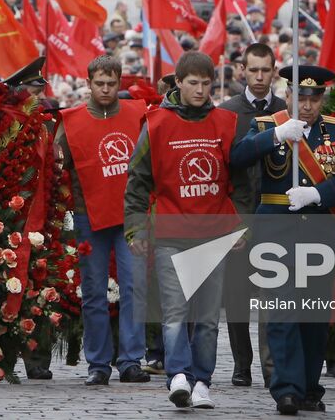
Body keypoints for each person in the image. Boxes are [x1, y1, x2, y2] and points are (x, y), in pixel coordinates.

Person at [124, 52, 253, 410]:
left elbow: (241, 183)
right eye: (192, 83)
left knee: (209, 319)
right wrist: (136, 229)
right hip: (171, 232)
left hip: (214, 234)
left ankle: (202, 382)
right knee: (175, 313)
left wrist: (241, 225)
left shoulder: (227, 123)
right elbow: (137, 181)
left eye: (205, 83)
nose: (199, 89)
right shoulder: (155, 123)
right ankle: (178, 375)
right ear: (178, 83)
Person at [230, 64, 335, 416]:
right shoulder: (268, 125)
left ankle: (308, 387)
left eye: (314, 98)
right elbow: (237, 158)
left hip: (319, 231)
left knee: (313, 317)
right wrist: (275, 136)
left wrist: (317, 194)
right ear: (288, 95)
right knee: (282, 312)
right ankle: (286, 390)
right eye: (300, 97)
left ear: (322, 99)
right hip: (276, 232)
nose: (307, 105)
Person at [56, 56, 150, 386]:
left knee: (135, 288)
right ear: (89, 83)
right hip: (88, 216)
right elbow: (56, 168)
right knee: (94, 293)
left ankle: (130, 360)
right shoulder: (70, 122)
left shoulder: (138, 114)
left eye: (112, 83)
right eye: (100, 83)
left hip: (130, 216)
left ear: (119, 82)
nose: (106, 89)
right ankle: (98, 363)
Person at [219, 42, 288, 388]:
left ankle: (271, 366)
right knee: (237, 296)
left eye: (266, 70)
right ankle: (241, 363)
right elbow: (223, 166)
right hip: (239, 213)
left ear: (275, 70)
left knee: (273, 295)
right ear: (242, 70)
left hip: (276, 213)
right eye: (254, 70)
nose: (260, 77)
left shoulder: (286, 110)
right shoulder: (228, 111)